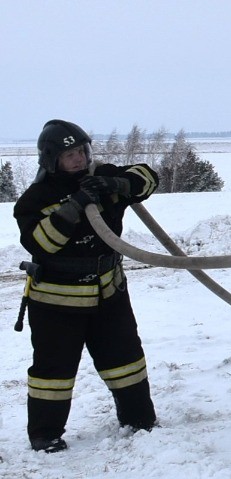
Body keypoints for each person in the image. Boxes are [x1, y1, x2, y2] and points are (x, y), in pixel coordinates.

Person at [12, 120, 159, 452]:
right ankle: (45, 434)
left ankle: (139, 419)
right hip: (57, 303)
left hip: (109, 293)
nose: (78, 159)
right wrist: (74, 206)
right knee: (54, 373)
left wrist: (116, 183)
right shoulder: (36, 199)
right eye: (69, 155)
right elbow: (41, 242)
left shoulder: (101, 177)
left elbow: (149, 178)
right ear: (52, 159)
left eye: (81, 151)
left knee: (126, 360)